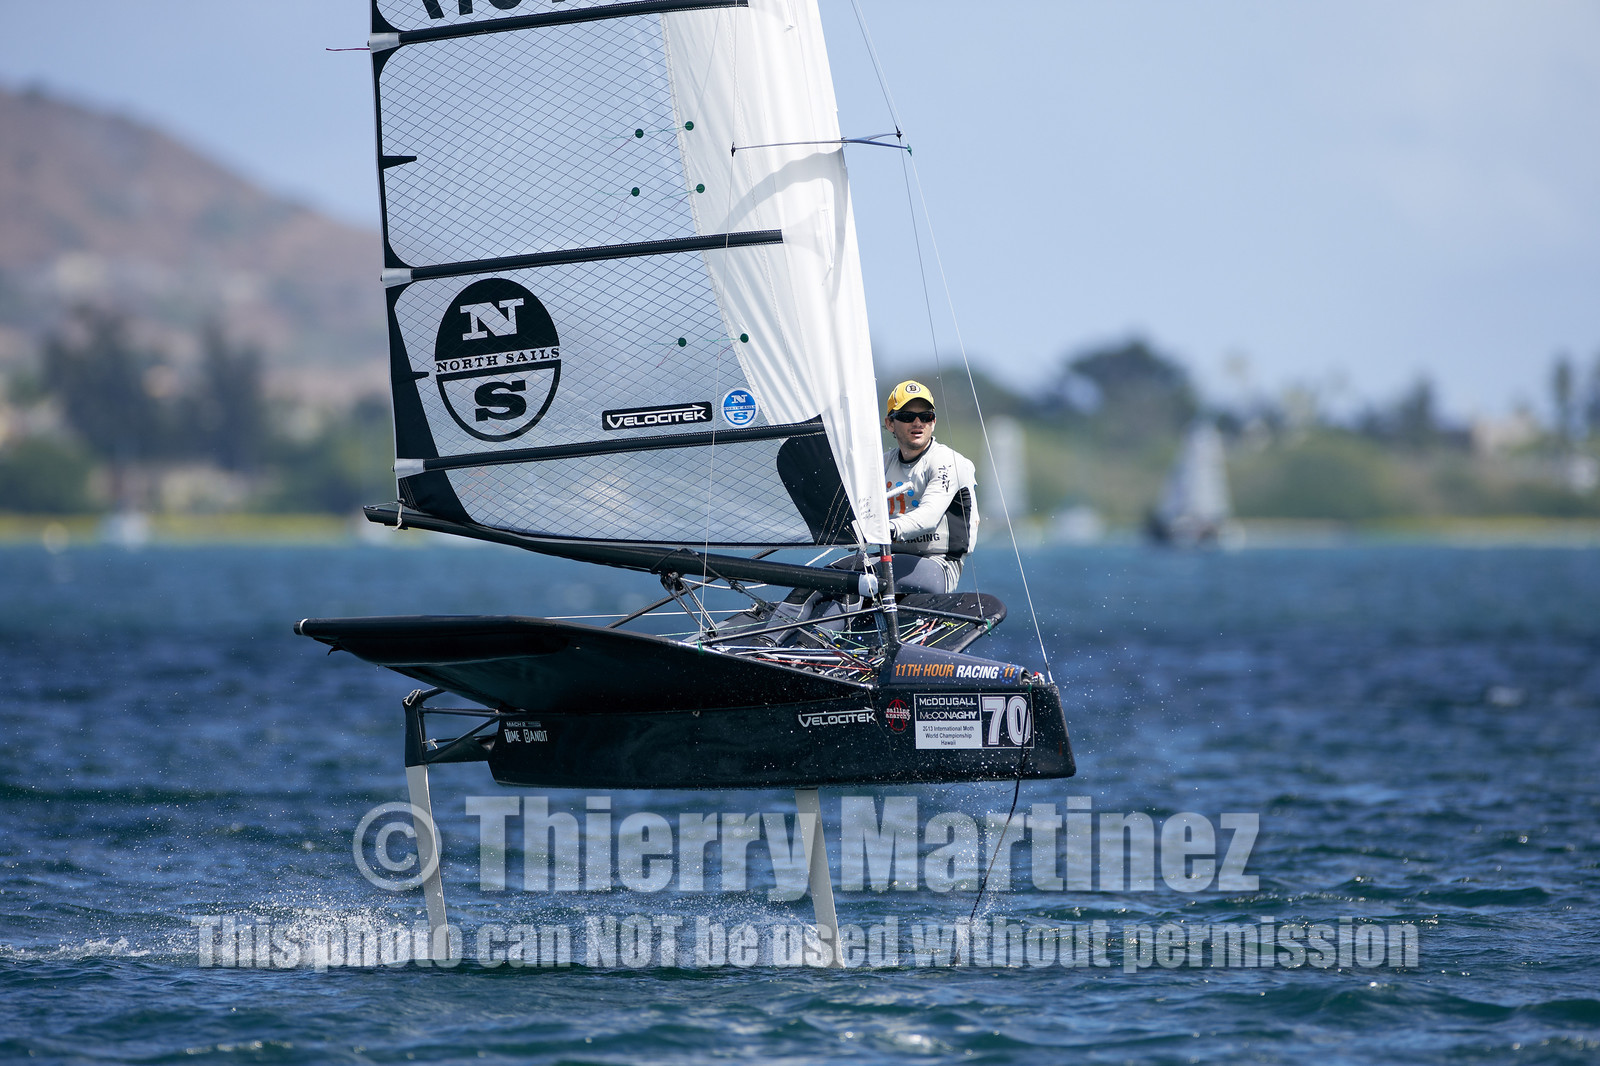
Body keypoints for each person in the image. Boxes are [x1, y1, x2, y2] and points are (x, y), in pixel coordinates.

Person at [878, 379, 979, 595]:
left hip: (939, 566)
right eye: (906, 417)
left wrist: (886, 529)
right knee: (832, 581)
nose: (918, 423)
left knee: (861, 578)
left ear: (933, 422)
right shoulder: (881, 465)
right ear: (889, 423)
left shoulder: (947, 462)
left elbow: (928, 517)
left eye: (925, 416)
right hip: (890, 561)